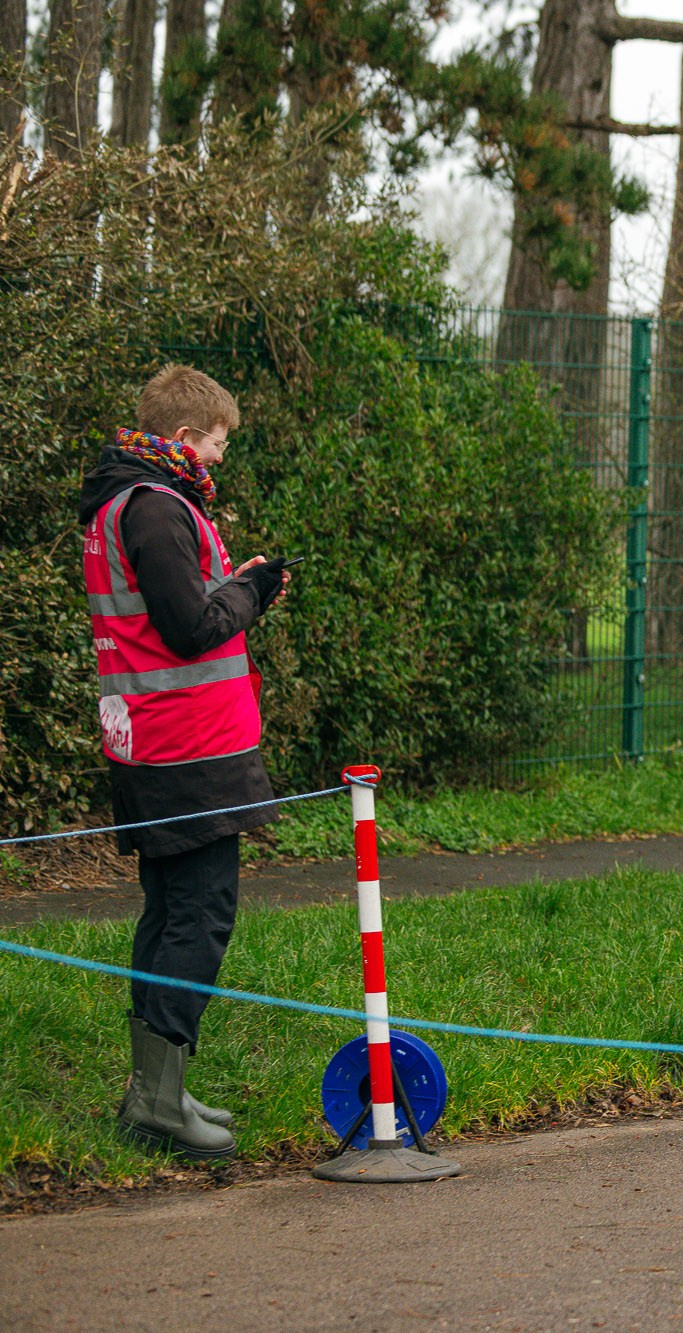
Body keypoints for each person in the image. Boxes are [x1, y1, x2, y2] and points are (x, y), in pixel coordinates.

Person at [77, 364, 291, 1160]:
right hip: (187, 749)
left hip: (154, 740)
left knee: (168, 914)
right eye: (216, 439)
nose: (221, 455)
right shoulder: (157, 509)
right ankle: (160, 1102)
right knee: (199, 917)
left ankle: (154, 1091)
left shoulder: (120, 504)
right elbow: (192, 625)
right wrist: (254, 589)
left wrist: (238, 586)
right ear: (179, 438)